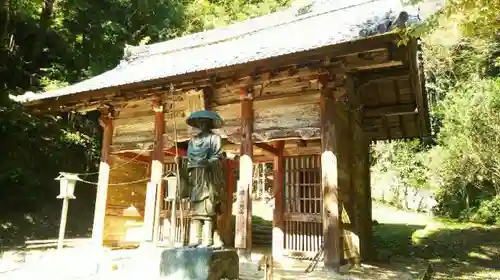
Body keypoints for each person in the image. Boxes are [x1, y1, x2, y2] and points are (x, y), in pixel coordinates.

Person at [177, 110, 227, 248]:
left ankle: (208, 240)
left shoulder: (215, 138)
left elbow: (217, 156)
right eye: (200, 122)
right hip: (195, 176)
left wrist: (209, 162)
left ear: (210, 124)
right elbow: (189, 158)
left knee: (208, 207)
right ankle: (195, 238)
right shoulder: (193, 140)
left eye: (205, 122)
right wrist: (181, 161)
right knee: (195, 209)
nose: (202, 125)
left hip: (208, 175)